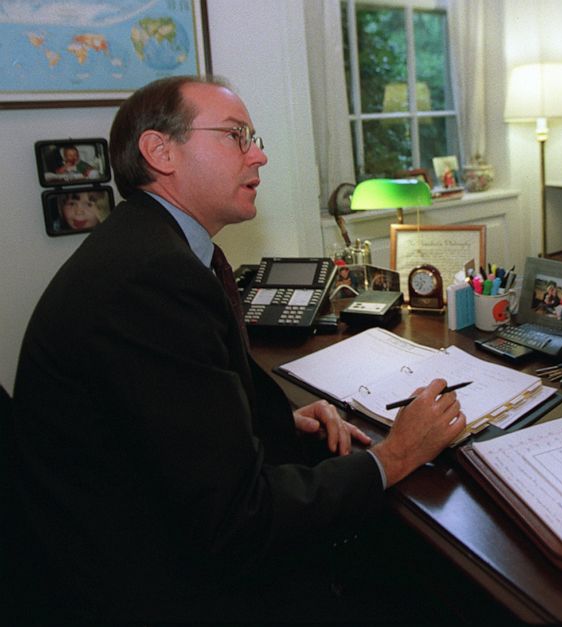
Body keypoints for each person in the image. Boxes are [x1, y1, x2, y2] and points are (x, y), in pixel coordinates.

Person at [11, 75, 467, 623]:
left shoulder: (144, 246)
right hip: (146, 582)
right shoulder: (153, 280)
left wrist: (271, 418)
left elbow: (173, 414)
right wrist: (394, 456)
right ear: (160, 151)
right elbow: (239, 520)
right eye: (237, 136)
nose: (261, 155)